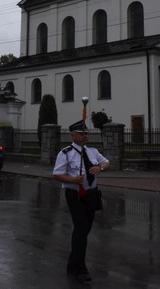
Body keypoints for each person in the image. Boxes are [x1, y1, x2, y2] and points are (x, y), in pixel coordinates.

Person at [52, 120, 110, 284]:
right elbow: (56, 174)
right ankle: (80, 268)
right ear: (73, 135)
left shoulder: (92, 151)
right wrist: (72, 179)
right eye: (82, 133)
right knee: (81, 228)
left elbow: (107, 162)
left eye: (86, 133)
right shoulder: (66, 153)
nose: (85, 136)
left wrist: (101, 168)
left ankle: (72, 263)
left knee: (84, 231)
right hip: (75, 195)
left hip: (92, 194)